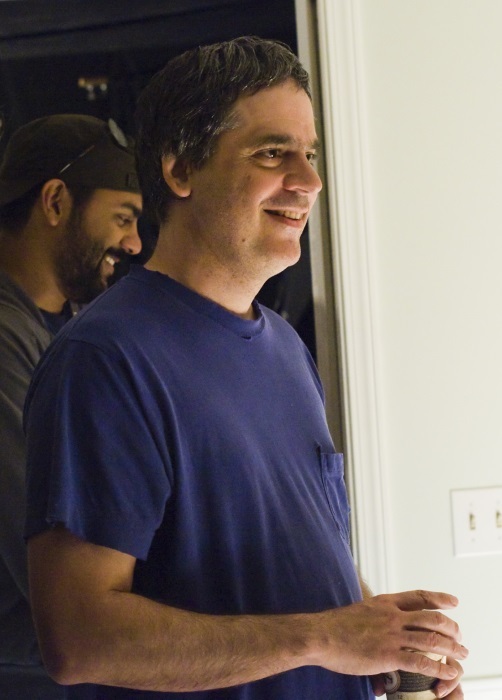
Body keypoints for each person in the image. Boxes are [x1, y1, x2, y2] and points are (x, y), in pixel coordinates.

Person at [23, 38, 467, 699]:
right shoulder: (107, 360)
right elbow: (79, 639)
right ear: (180, 169)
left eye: (310, 155)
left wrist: (378, 647)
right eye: (272, 153)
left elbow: (289, 575)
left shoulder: (284, 347)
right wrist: (325, 637)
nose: (309, 181)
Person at [0, 113, 142, 699]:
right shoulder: (5, 338)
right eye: (123, 217)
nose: (134, 244)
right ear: (56, 201)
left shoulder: (73, 330)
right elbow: (40, 530)